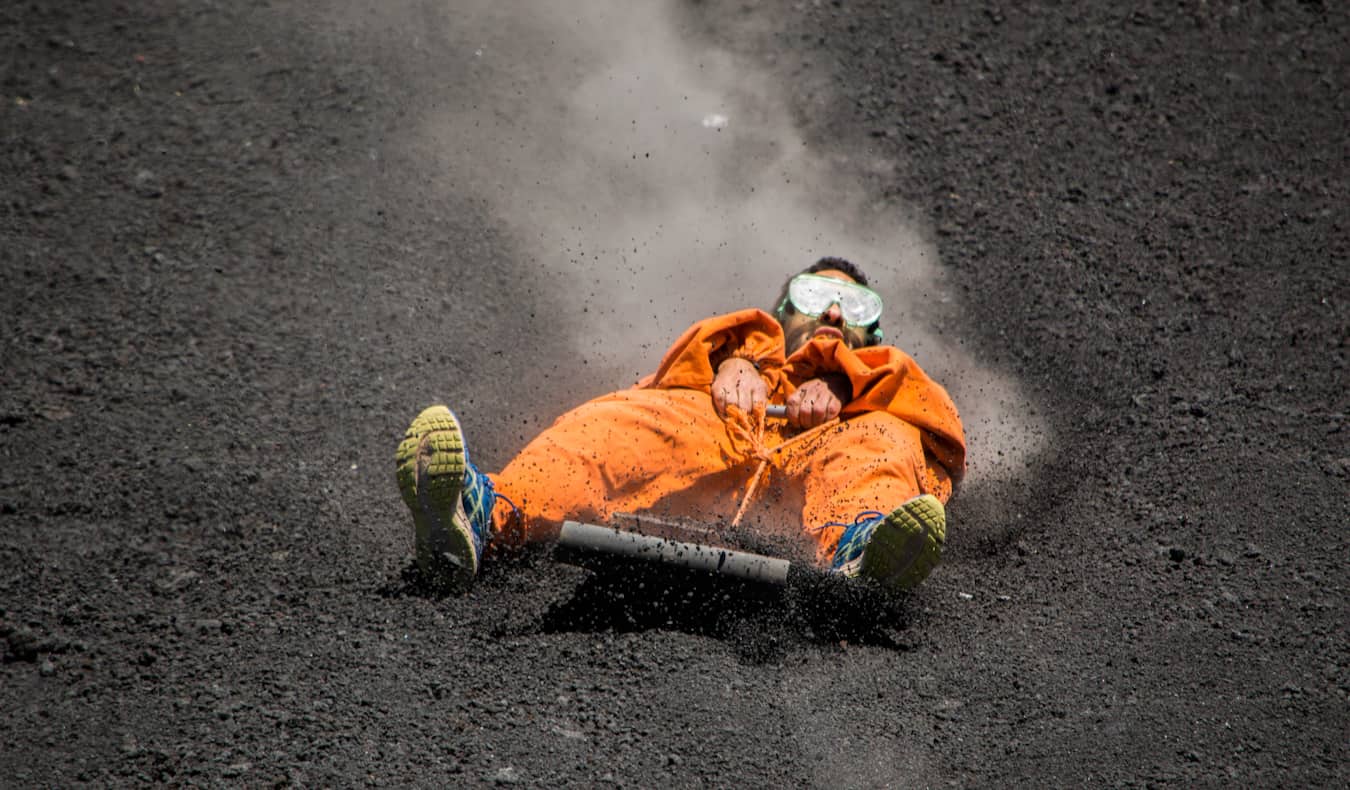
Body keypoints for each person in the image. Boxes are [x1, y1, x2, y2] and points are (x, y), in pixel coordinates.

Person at [395, 257, 966, 593]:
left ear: (876, 336)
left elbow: (938, 428)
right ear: (782, 310)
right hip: (721, 447)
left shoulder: (893, 393)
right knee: (627, 421)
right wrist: (738, 358)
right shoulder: (725, 359)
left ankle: (861, 552)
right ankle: (480, 518)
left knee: (881, 441)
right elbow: (672, 374)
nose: (835, 312)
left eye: (856, 306)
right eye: (815, 295)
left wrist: (847, 382)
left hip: (822, 478)